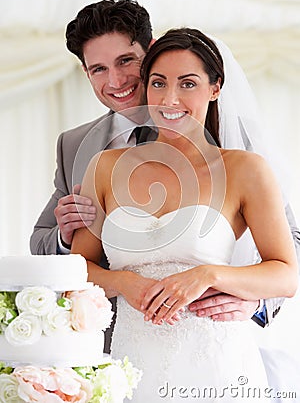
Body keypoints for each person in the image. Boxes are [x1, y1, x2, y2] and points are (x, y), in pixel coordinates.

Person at [30, 0, 300, 333]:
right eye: (98, 69)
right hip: (116, 341)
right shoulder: (79, 149)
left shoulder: (239, 148)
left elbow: (290, 243)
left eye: (125, 61)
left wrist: (253, 300)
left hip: (217, 328)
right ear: (85, 72)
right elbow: (47, 248)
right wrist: (66, 237)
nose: (115, 81)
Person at [70, 28, 298, 401]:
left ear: (215, 88)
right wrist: (124, 282)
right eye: (158, 83)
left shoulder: (245, 169)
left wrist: (207, 275)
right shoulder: (106, 167)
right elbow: (77, 271)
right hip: (132, 362)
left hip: (218, 364)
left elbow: (286, 275)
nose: (169, 98)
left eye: (187, 83)